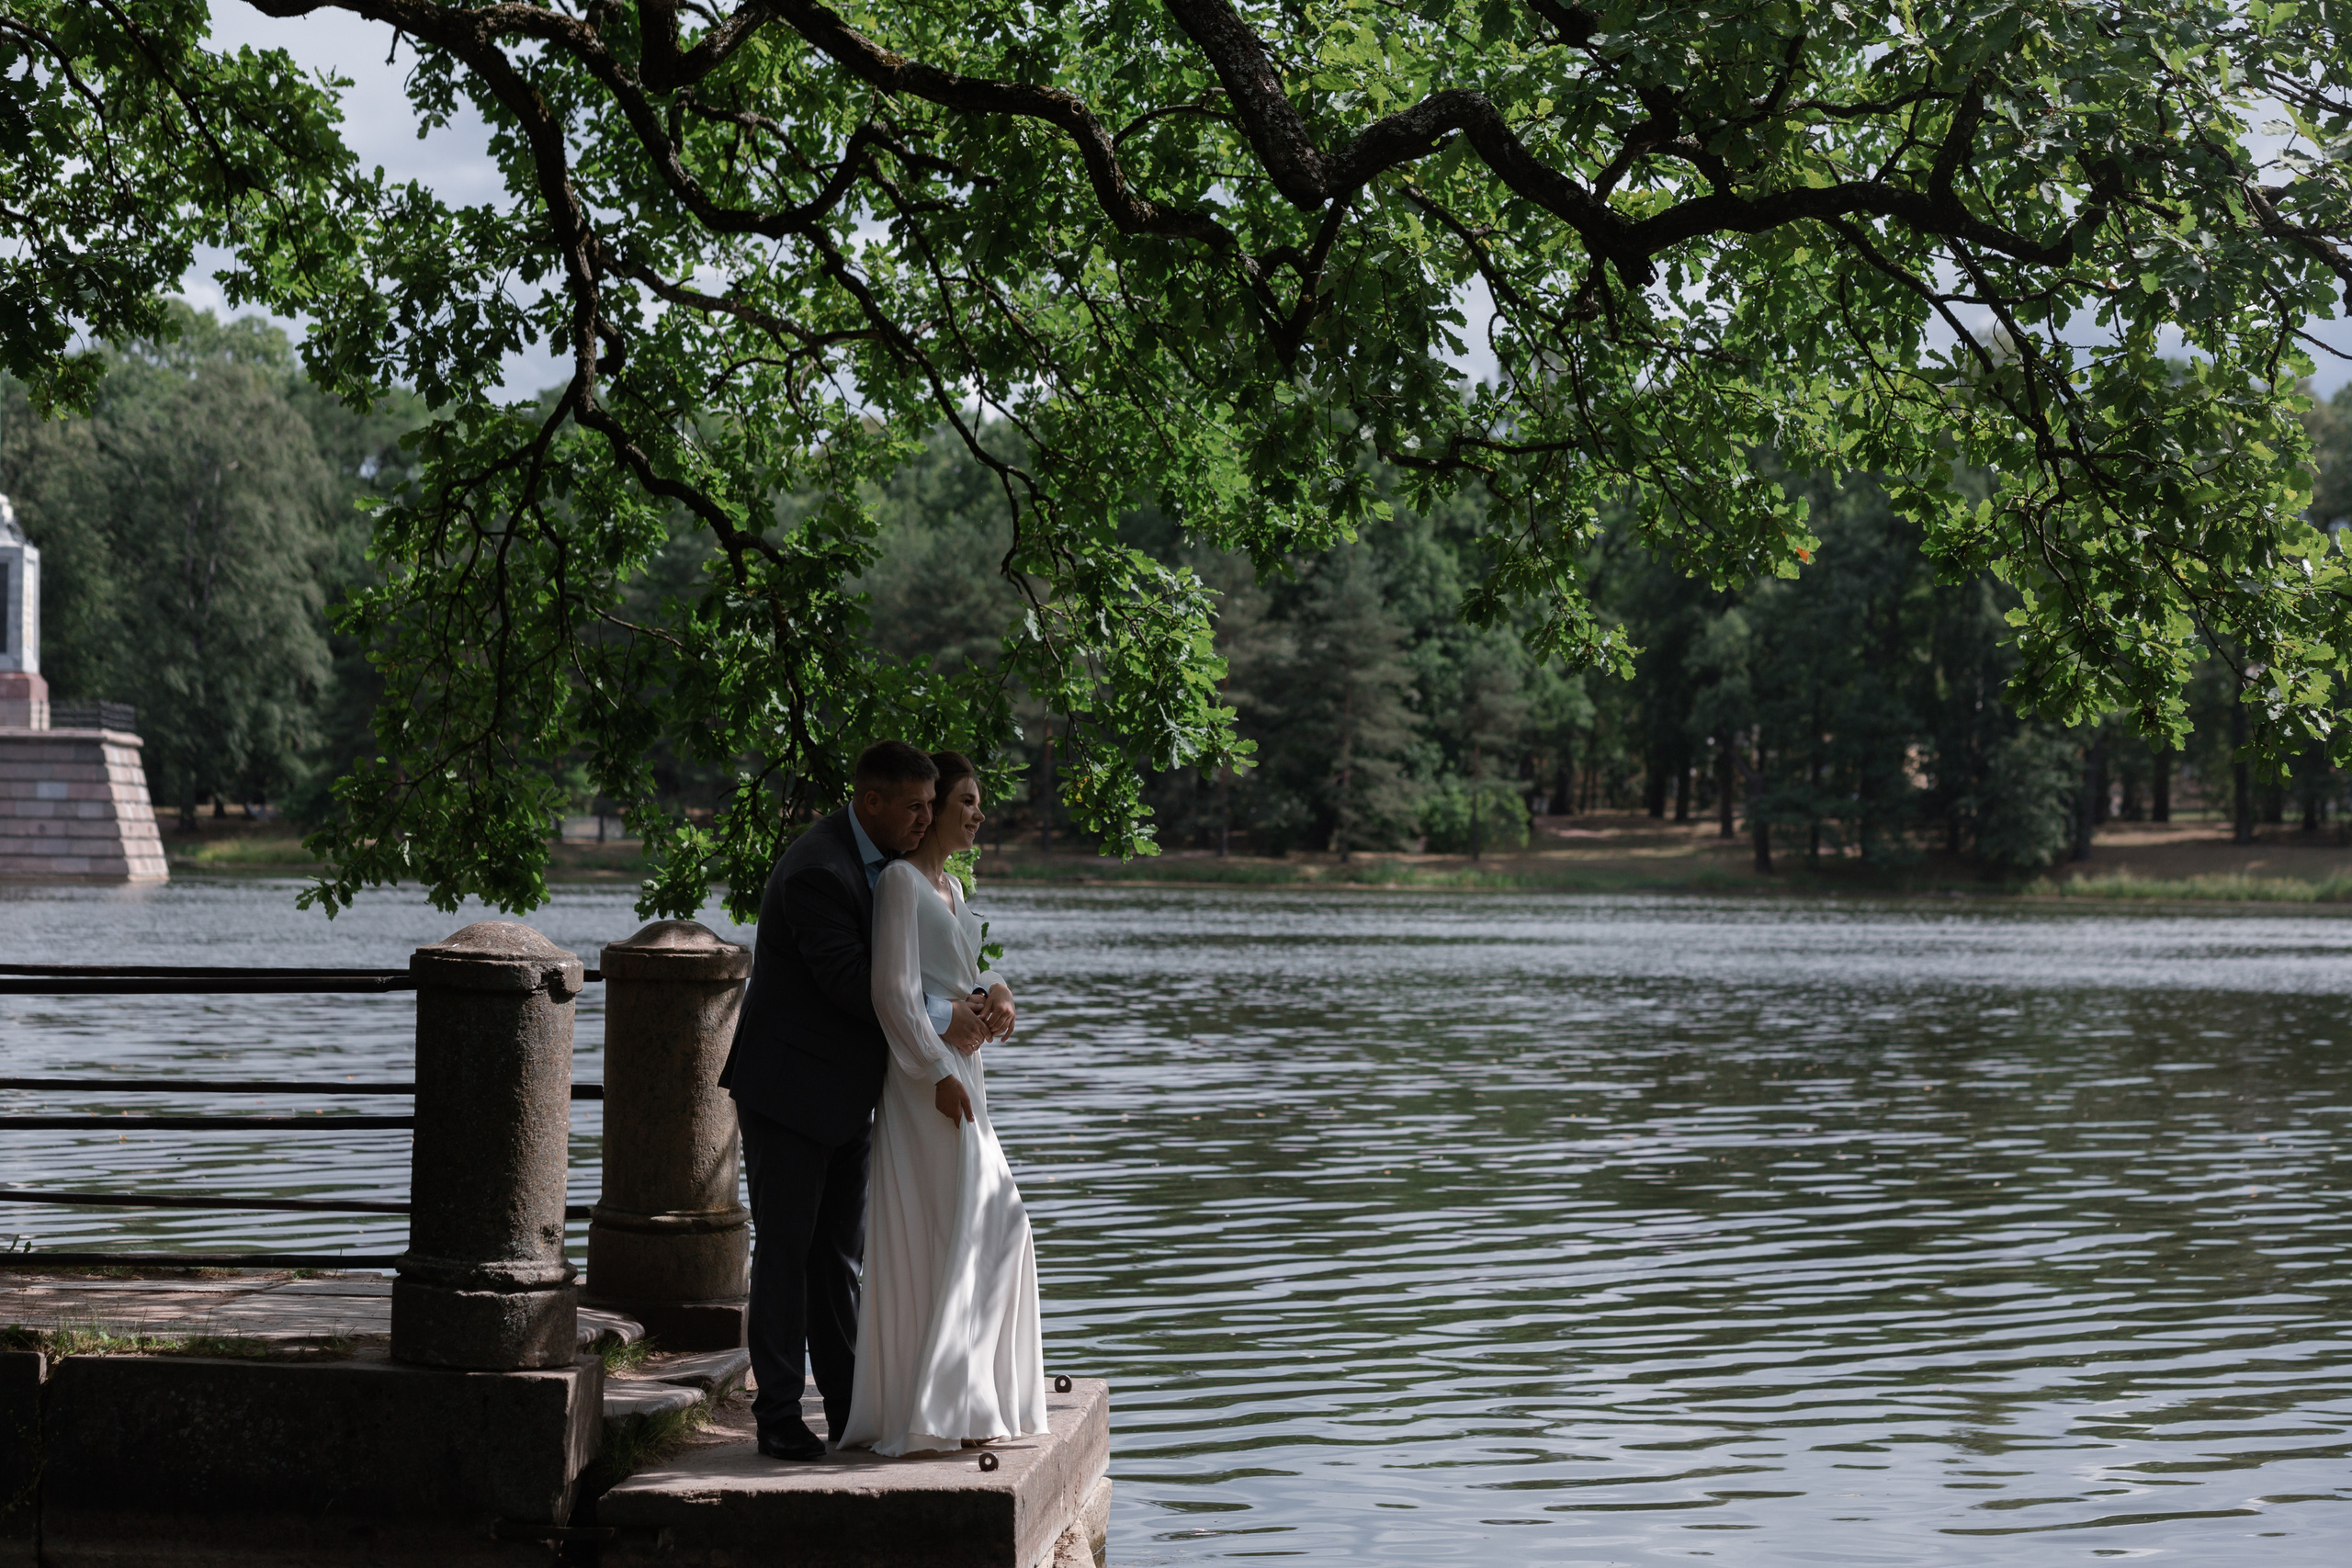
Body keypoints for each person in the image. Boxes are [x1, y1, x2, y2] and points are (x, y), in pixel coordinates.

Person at [719, 740, 989, 1461]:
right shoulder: (818, 868)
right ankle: (777, 1414)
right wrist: (941, 1017)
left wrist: (974, 999)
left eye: (933, 806)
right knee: (785, 1249)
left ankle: (848, 1411)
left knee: (836, 1256)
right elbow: (852, 981)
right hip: (787, 1089)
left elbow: (914, 963)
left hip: (851, 1093)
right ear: (871, 801)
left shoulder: (892, 870)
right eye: (914, 806)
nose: (924, 819)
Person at [837, 750, 1046, 1456]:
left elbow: (961, 970)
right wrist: (934, 1071)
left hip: (963, 1066)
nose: (973, 813)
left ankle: (959, 1402)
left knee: (973, 1226)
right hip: (925, 1075)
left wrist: (1001, 990)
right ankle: (948, 1404)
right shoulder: (897, 881)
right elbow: (893, 992)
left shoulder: (951, 886)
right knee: (992, 1221)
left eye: (963, 801)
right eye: (965, 800)